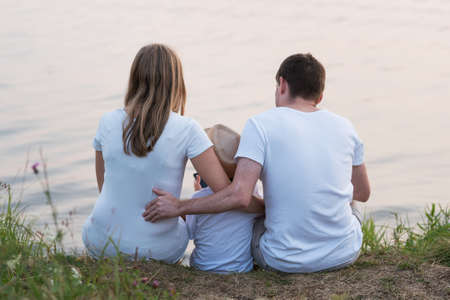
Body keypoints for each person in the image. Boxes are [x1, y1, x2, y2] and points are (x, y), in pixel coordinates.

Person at [143, 53, 370, 273]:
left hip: (282, 260)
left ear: (282, 85)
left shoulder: (260, 125)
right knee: (352, 204)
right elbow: (362, 192)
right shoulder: (345, 127)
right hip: (344, 254)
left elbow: (240, 196)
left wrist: (180, 206)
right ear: (320, 97)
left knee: (253, 215)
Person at [82, 44, 261, 263]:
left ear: (134, 78)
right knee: (190, 214)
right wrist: (266, 207)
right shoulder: (187, 129)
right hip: (156, 251)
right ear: (175, 83)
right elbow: (226, 194)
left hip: (100, 242)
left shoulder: (106, 122)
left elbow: (105, 188)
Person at [186, 124, 262, 274]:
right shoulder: (251, 193)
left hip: (203, 267)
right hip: (241, 269)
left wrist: (199, 194)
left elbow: (190, 232)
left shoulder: (198, 198)